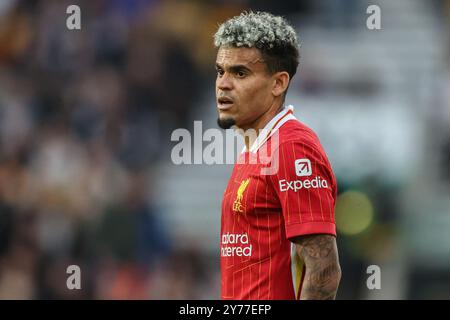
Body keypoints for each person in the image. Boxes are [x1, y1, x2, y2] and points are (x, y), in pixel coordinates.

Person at [214, 11, 341, 300]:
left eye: (240, 73)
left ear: (278, 83)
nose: (223, 83)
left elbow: (324, 272)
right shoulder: (255, 150)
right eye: (220, 71)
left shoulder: (291, 147)